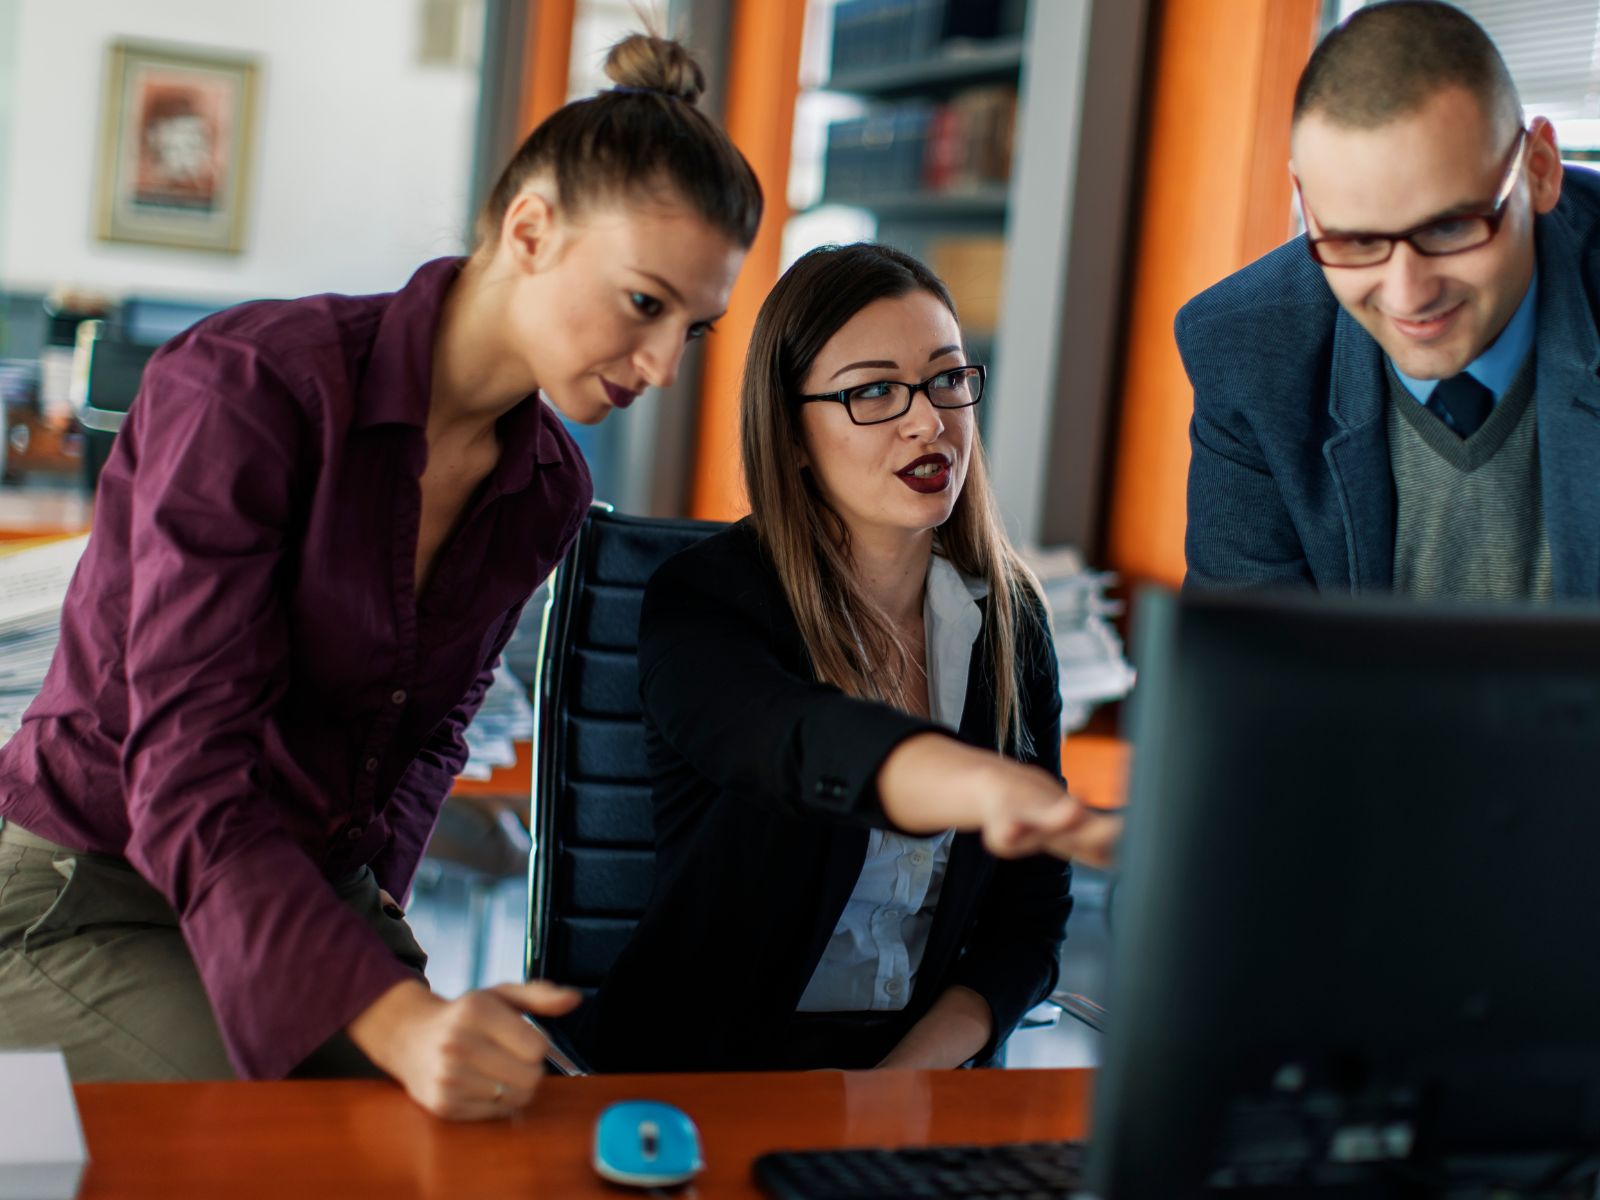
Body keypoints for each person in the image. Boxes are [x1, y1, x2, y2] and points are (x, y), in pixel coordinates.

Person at [0, 33, 760, 1119]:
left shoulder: (546, 485)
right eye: (645, 304)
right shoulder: (249, 389)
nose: (664, 366)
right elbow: (186, 773)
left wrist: (372, 955)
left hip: (299, 888)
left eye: (696, 326)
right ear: (531, 230)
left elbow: (424, 743)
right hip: (95, 885)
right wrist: (388, 1018)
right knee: (318, 1139)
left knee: (503, 1128)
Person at [567, 243, 1120, 1074]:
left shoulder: (1009, 622)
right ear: (791, 435)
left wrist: (899, 1084)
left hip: (916, 1085)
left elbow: (1027, 929)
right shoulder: (706, 600)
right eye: (872, 392)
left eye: (945, 379)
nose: (928, 420)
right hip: (706, 1090)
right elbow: (790, 740)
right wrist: (973, 783)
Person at [1180, 1, 1600, 601]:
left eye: (1450, 228)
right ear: (1308, 202)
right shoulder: (1246, 352)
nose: (1408, 296)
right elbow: (1248, 675)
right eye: (1356, 241)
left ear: (1539, 170)